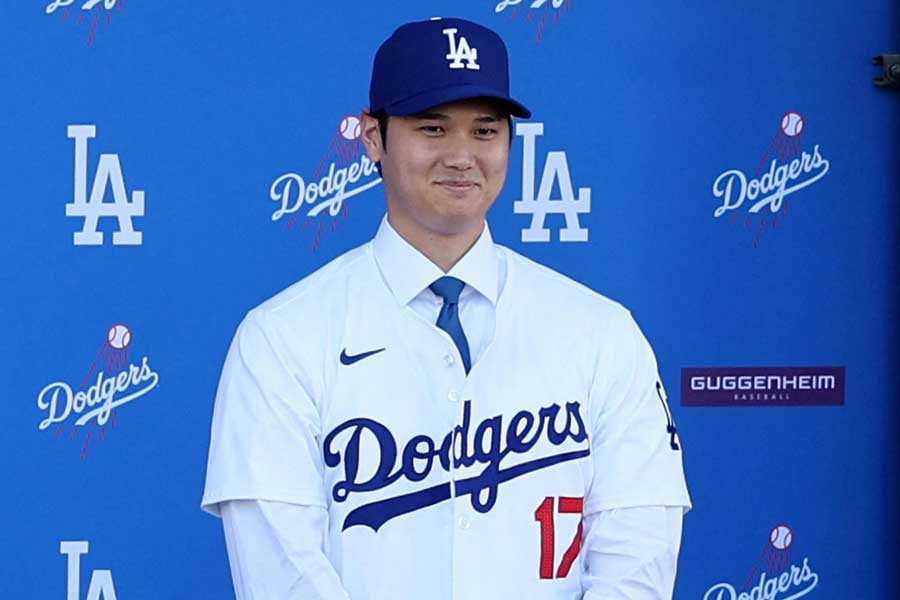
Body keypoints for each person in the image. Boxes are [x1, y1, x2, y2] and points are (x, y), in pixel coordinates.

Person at [202, 16, 691, 600]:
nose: (462, 157)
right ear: (372, 137)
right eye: (432, 128)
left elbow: (636, 560)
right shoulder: (281, 338)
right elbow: (281, 576)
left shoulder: (602, 332)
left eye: (485, 132)